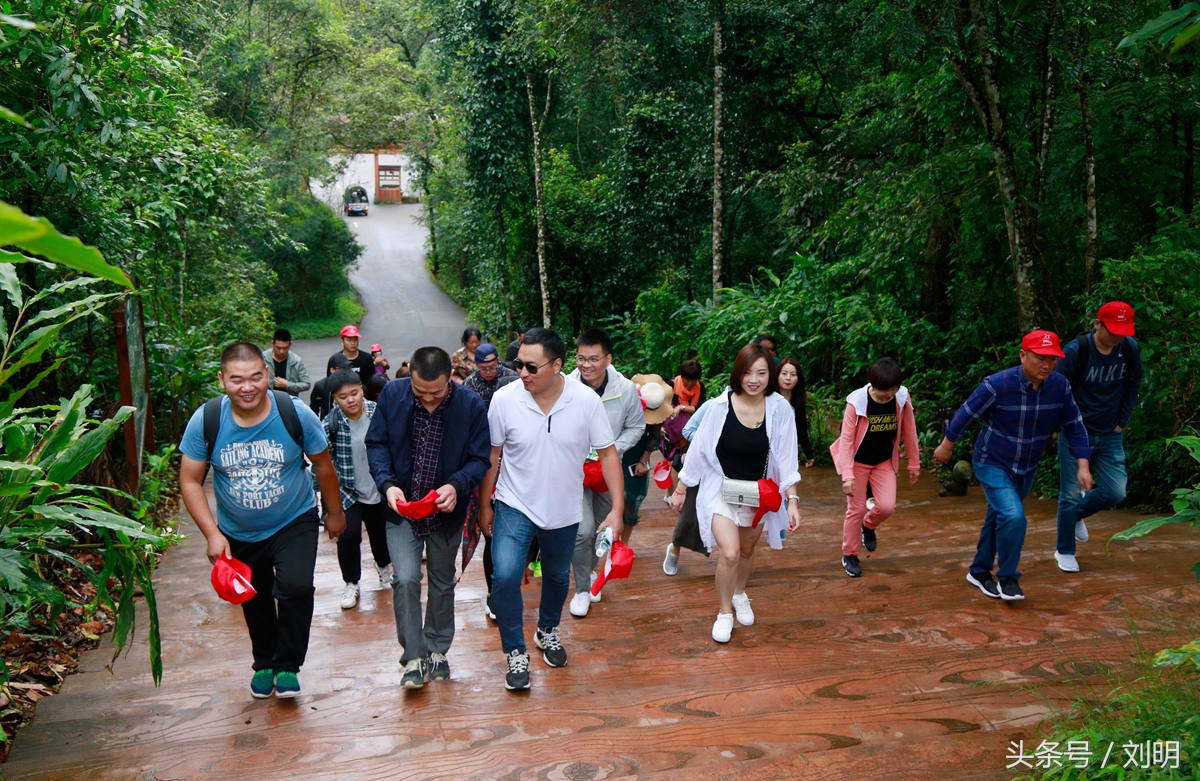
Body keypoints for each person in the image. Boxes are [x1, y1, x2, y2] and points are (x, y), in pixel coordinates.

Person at [178, 343, 344, 699]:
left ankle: (287, 665)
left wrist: (335, 512)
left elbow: (322, 463)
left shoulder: (293, 413)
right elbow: (189, 480)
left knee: (296, 588)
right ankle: (264, 662)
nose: (247, 387)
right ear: (222, 380)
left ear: (267, 374)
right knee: (254, 596)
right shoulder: (207, 420)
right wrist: (211, 534)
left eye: (255, 377)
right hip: (238, 530)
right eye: (237, 379)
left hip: (294, 518)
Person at [478, 328, 624, 691]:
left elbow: (608, 454)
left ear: (557, 365)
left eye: (531, 367)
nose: (522, 373)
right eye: (519, 364)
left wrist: (617, 510)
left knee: (558, 577)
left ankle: (547, 630)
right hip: (514, 503)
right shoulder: (505, 399)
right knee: (505, 576)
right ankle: (515, 651)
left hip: (564, 507)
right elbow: (492, 455)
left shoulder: (585, 401)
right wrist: (485, 505)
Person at [934, 330, 1094, 601]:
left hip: (1026, 467)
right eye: (1040, 358)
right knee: (1013, 516)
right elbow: (966, 413)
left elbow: (1074, 425)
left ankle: (979, 571)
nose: (1047, 365)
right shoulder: (997, 385)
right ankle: (1008, 578)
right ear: (1023, 355)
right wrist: (946, 445)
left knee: (1000, 517)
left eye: (1052, 359)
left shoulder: (1059, 386)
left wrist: (1083, 466)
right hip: (991, 461)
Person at [365, 347, 491, 688]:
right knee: (405, 578)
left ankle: (437, 648)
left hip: (445, 513)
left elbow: (480, 458)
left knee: (442, 581)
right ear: (411, 378)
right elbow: (376, 444)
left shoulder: (470, 404)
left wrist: (457, 484)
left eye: (436, 392)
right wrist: (387, 484)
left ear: (450, 378)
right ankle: (414, 656)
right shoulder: (393, 394)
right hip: (402, 510)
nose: (429, 398)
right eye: (420, 391)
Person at [670, 343, 802, 643]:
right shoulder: (719, 407)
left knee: (746, 550)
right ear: (737, 373)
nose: (754, 380)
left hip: (758, 492)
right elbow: (699, 450)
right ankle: (724, 612)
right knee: (729, 553)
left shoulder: (780, 409)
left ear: (771, 375)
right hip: (721, 488)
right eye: (747, 372)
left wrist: (792, 499)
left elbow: (786, 457)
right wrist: (681, 488)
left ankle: (740, 593)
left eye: (762, 373)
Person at [1052, 302, 1142, 573]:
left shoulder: (1129, 349)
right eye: (1112, 330)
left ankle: (1076, 515)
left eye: (1122, 332)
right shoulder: (1076, 351)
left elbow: (1133, 384)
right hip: (1076, 433)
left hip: (1110, 432)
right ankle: (1065, 550)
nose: (1117, 337)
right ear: (1097, 324)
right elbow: (1056, 391)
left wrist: (1121, 422)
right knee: (1070, 495)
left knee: (1116, 491)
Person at [565, 328, 645, 618]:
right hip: (574, 469)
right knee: (582, 530)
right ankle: (582, 589)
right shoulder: (566, 386)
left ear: (608, 359)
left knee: (603, 529)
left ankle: (589, 572)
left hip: (608, 470)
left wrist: (609, 449)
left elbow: (636, 427)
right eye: (581, 358)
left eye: (593, 359)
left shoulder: (624, 389)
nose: (586, 365)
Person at [829, 358, 920, 578]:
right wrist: (847, 475)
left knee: (887, 507)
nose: (888, 394)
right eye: (883, 390)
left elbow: (909, 430)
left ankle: (868, 526)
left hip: (883, 462)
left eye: (892, 389)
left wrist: (914, 463)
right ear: (873, 384)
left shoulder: (901, 398)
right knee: (856, 509)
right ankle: (850, 554)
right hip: (857, 463)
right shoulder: (858, 402)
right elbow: (847, 441)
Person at [322, 370, 393, 610]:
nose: (350, 400)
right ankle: (351, 582)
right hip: (348, 491)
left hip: (378, 487)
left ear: (362, 389)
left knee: (380, 532)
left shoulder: (379, 413)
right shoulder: (330, 425)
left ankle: (384, 567)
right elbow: (323, 465)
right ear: (335, 398)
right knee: (348, 535)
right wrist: (327, 505)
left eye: (354, 393)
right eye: (343, 397)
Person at [776, 358, 815, 468]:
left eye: (793, 374)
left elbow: (801, 429)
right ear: (777, 375)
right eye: (784, 373)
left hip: (787, 453)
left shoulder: (798, 401)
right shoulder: (767, 398)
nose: (788, 378)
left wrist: (809, 452)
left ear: (798, 378)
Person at [264, 328, 311, 397]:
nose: (281, 351)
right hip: (267, 399)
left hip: (289, 399)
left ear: (290, 344)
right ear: (272, 344)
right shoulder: (263, 358)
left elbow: (306, 384)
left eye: (285, 348)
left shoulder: (296, 361)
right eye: (278, 348)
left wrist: (287, 385)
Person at [310, 354, 351, 420]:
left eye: (348, 368)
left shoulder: (353, 384)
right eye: (342, 369)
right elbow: (313, 410)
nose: (346, 371)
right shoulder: (321, 386)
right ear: (332, 370)